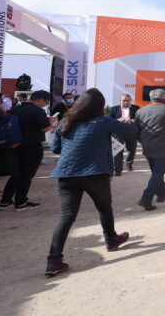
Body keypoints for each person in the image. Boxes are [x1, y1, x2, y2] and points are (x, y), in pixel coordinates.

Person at [45, 88, 136, 277]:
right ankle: (111, 239)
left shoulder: (65, 121)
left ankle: (54, 260)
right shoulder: (102, 122)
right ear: (99, 106)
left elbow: (55, 148)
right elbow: (131, 130)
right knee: (104, 208)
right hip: (95, 173)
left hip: (66, 175)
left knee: (66, 217)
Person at [0, 90, 53, 211]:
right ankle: (21, 202)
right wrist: (52, 123)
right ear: (40, 100)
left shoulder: (16, 108)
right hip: (31, 147)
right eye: (46, 101)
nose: (46, 104)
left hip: (14, 145)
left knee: (16, 174)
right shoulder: (37, 111)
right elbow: (44, 128)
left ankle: (5, 201)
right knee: (26, 176)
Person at [108, 94, 140, 175]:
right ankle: (118, 170)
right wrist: (118, 120)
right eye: (124, 100)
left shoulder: (136, 108)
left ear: (130, 100)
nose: (126, 102)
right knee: (117, 151)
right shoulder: (114, 109)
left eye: (127, 100)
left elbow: (139, 119)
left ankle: (129, 164)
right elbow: (109, 120)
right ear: (120, 101)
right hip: (118, 133)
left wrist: (131, 120)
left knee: (131, 150)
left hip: (131, 132)